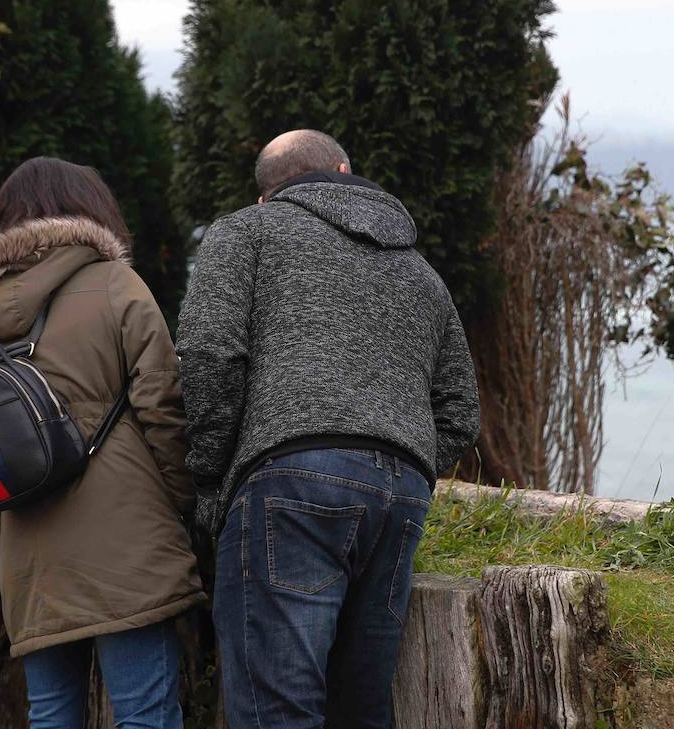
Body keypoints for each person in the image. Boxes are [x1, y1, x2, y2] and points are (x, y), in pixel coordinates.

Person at [176, 130, 480, 728]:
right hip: (402, 493)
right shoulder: (421, 273)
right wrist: (405, 455)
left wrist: (213, 479)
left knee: (277, 711)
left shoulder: (246, 232)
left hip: (287, 483)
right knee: (360, 710)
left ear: (265, 196)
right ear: (344, 170)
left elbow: (209, 353)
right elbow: (461, 413)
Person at [0, 156, 204, 729]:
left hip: (31, 561)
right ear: (93, 212)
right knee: (145, 716)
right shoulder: (116, 286)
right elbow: (163, 407)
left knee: (52, 715)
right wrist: (185, 500)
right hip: (127, 544)